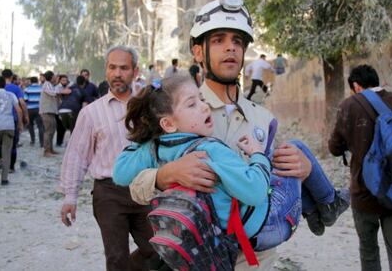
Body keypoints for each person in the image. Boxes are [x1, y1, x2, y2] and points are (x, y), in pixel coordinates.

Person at [125, 0, 343, 269]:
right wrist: (165, 174)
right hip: (200, 257)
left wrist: (303, 169)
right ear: (198, 51)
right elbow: (133, 188)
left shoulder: (264, 117)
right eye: (218, 40)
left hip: (256, 259)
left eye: (237, 41)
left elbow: (272, 187)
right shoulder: (173, 111)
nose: (230, 48)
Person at [113, 74, 349, 254]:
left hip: (227, 233)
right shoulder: (210, 150)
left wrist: (146, 142)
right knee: (295, 147)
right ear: (168, 124)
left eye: (202, 99)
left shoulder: (155, 149)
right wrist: (257, 155)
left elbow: (120, 174)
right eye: (192, 104)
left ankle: (319, 210)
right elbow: (256, 192)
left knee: (282, 161)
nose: (204, 107)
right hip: (268, 226)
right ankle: (327, 204)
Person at [59, 46, 165, 271]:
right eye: (112, 67)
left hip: (146, 189)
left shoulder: (151, 106)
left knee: (160, 253)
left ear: (135, 71)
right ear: (106, 71)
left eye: (124, 68)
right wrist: (70, 196)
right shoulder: (91, 113)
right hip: (108, 194)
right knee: (116, 259)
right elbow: (77, 155)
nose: (117, 73)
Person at [328, 64, 392, 271]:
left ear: (356, 85)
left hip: (364, 193)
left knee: (369, 253)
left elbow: (334, 147)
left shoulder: (350, 105)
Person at [2, 69, 29, 172]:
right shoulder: (16, 89)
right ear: (12, 76)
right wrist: (25, 117)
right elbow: (22, 103)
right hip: (12, 120)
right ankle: (11, 167)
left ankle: (1, 163)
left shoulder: (1, 88)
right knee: (12, 144)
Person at [39, 71, 70, 157]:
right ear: (51, 77)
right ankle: (46, 151)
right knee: (48, 131)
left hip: (51, 112)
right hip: (46, 111)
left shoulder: (50, 85)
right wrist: (63, 92)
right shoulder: (47, 84)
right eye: (54, 76)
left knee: (52, 131)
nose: (55, 78)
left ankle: (50, 149)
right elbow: (52, 93)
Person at [0, 76, 23, 185]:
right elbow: (19, 110)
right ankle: (4, 179)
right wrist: (20, 124)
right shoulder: (11, 95)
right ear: (4, 84)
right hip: (8, 125)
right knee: (6, 152)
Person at [24, 76, 44, 147]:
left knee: (30, 125)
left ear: (31, 81)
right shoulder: (41, 89)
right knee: (40, 126)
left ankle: (32, 141)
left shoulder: (27, 89)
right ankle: (42, 143)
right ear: (37, 81)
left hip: (30, 109)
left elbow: (25, 100)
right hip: (39, 109)